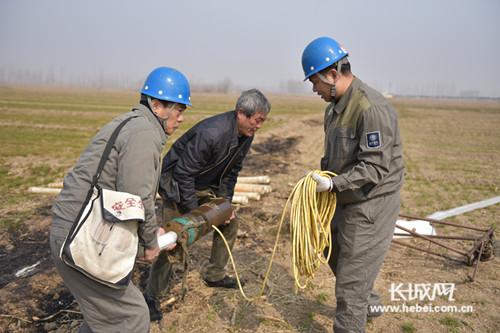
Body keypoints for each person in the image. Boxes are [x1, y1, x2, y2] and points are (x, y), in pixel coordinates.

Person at [50, 66, 191, 332]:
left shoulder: (134, 124)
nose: (181, 118)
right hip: (78, 237)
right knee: (133, 317)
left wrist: (152, 233)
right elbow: (136, 197)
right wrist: (150, 241)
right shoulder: (144, 134)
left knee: (105, 320)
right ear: (158, 106)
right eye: (179, 110)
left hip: (74, 230)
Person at [302, 37, 404, 333]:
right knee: (328, 246)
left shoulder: (370, 108)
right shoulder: (333, 108)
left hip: (371, 202)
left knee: (349, 285)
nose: (314, 89)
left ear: (332, 74)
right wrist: (323, 183)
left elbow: (374, 167)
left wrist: (333, 186)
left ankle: (354, 312)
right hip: (344, 194)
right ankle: (368, 299)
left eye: (315, 82)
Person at [143, 88, 271, 321]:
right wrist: (196, 214)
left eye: (262, 121)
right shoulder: (212, 133)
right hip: (177, 184)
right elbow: (183, 174)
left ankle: (215, 275)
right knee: (175, 238)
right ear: (241, 113)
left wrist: (225, 206)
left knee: (230, 223)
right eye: (257, 120)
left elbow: (232, 173)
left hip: (203, 185)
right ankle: (151, 296)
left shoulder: (247, 135)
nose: (259, 126)